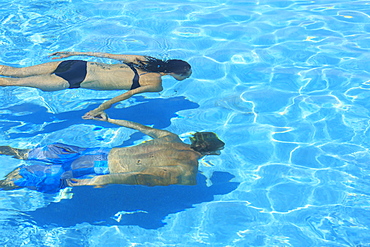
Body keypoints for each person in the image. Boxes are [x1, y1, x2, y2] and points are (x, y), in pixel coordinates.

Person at [0, 113, 225, 193]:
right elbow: (142, 179)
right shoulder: (187, 173)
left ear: (194, 138)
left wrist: (110, 120)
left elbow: (141, 127)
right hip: (101, 169)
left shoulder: (170, 137)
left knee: (29, 153)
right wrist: (103, 179)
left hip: (99, 152)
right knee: (31, 178)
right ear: (212, 154)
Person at [0, 52, 192, 119]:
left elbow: (108, 56)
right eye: (186, 75)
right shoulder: (155, 83)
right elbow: (123, 96)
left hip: (79, 64)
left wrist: (72, 53)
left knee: (12, 71)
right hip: (77, 80)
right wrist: (98, 110)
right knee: (10, 82)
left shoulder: (144, 60)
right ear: (176, 74)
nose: (186, 77)